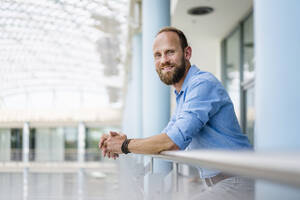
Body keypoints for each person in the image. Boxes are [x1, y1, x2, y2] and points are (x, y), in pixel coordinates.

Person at [99, 27, 253, 199]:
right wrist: (119, 143)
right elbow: (164, 138)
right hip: (222, 183)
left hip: (237, 181)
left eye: (170, 52)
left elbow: (172, 142)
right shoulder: (183, 95)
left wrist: (124, 145)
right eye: (158, 55)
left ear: (187, 53)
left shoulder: (202, 84)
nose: (163, 60)